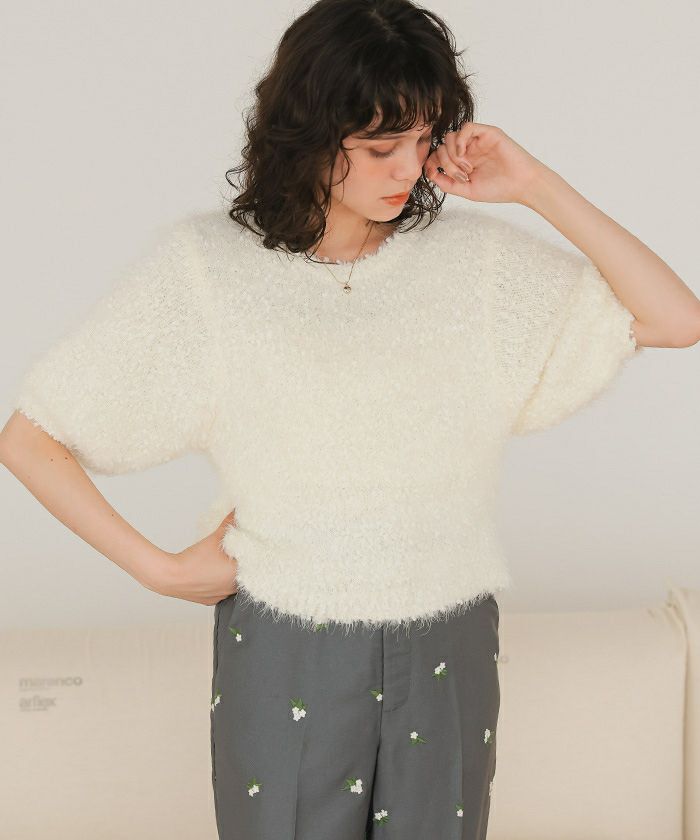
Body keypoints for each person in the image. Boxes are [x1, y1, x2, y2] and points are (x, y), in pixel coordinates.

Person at [2, 0, 699, 838]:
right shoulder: (207, 274)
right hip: (286, 644)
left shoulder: (474, 267)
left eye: (424, 138)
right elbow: (31, 438)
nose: (407, 169)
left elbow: (674, 318)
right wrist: (160, 571)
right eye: (378, 146)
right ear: (309, 132)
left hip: (448, 642)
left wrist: (534, 186)